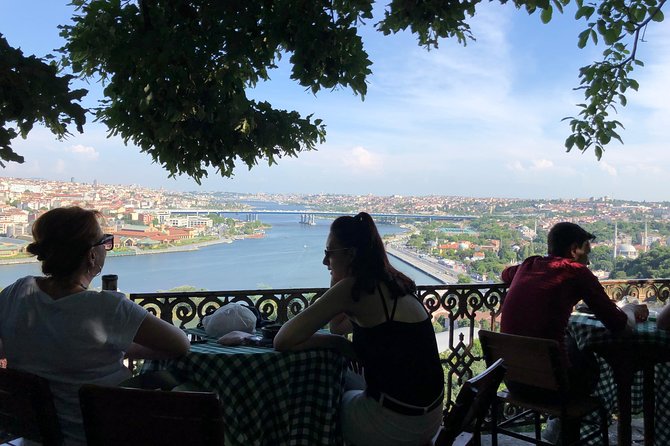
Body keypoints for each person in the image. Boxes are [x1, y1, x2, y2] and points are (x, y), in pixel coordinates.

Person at [0, 207, 190, 445]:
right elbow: (179, 344)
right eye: (105, 242)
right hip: (106, 434)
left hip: (37, 438)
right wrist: (119, 345)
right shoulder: (108, 308)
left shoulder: (17, 292)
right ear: (91, 255)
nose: (107, 247)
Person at [274, 212, 444, 446]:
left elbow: (283, 339)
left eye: (329, 253)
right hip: (429, 419)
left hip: (395, 425)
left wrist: (339, 343)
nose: (325, 262)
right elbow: (337, 327)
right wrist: (336, 284)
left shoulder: (354, 289)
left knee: (321, 400)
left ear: (351, 254)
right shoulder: (392, 282)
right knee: (348, 378)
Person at [500, 221, 647, 443]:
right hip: (555, 388)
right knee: (590, 360)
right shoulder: (577, 272)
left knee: (570, 346)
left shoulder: (528, 265)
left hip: (514, 380)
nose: (588, 261)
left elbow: (504, 274)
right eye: (586, 253)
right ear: (573, 250)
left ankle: (558, 432)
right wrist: (629, 309)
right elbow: (621, 327)